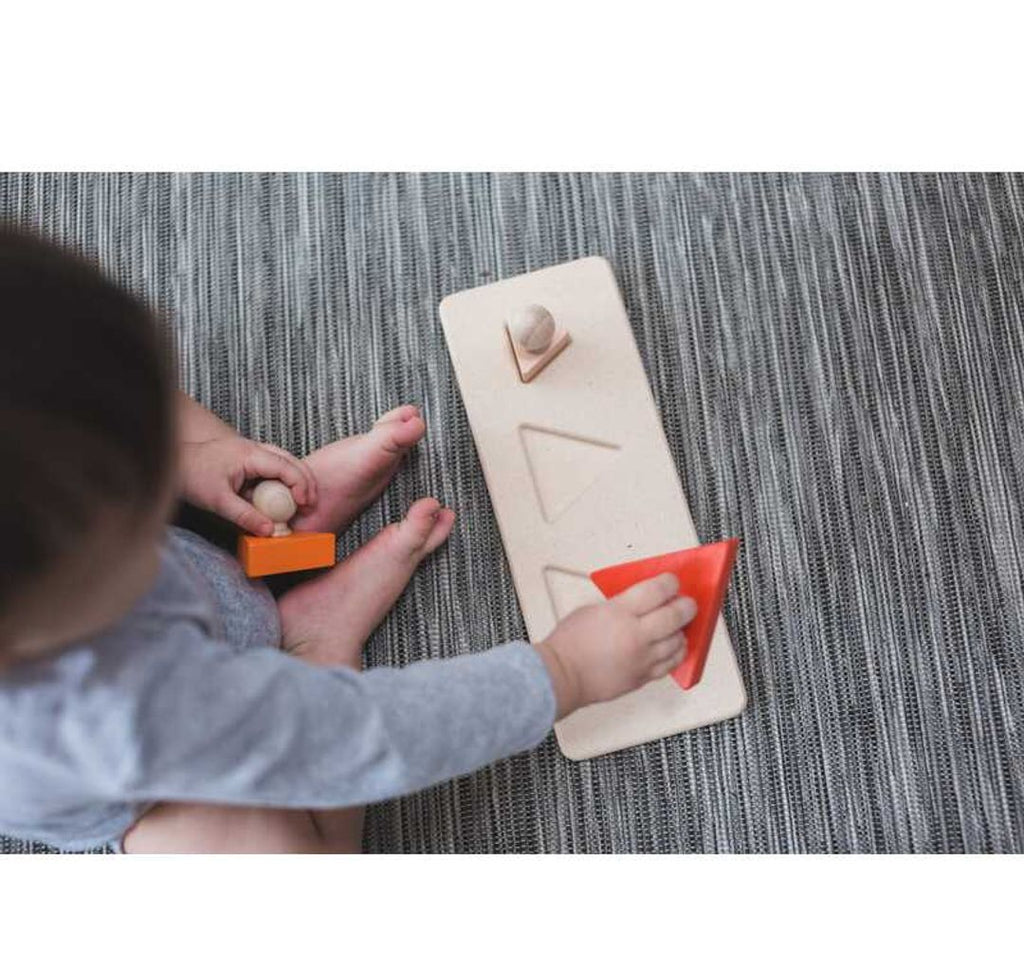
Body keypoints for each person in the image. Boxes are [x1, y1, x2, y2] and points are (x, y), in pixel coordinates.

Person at [0, 228, 696, 853]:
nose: (159, 468)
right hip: (165, 774)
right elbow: (358, 736)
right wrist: (562, 674)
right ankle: (313, 640)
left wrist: (199, 456)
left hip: (153, 580)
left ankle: (269, 525)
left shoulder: (49, 542)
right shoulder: (123, 714)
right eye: (148, 478)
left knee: (88, 401)